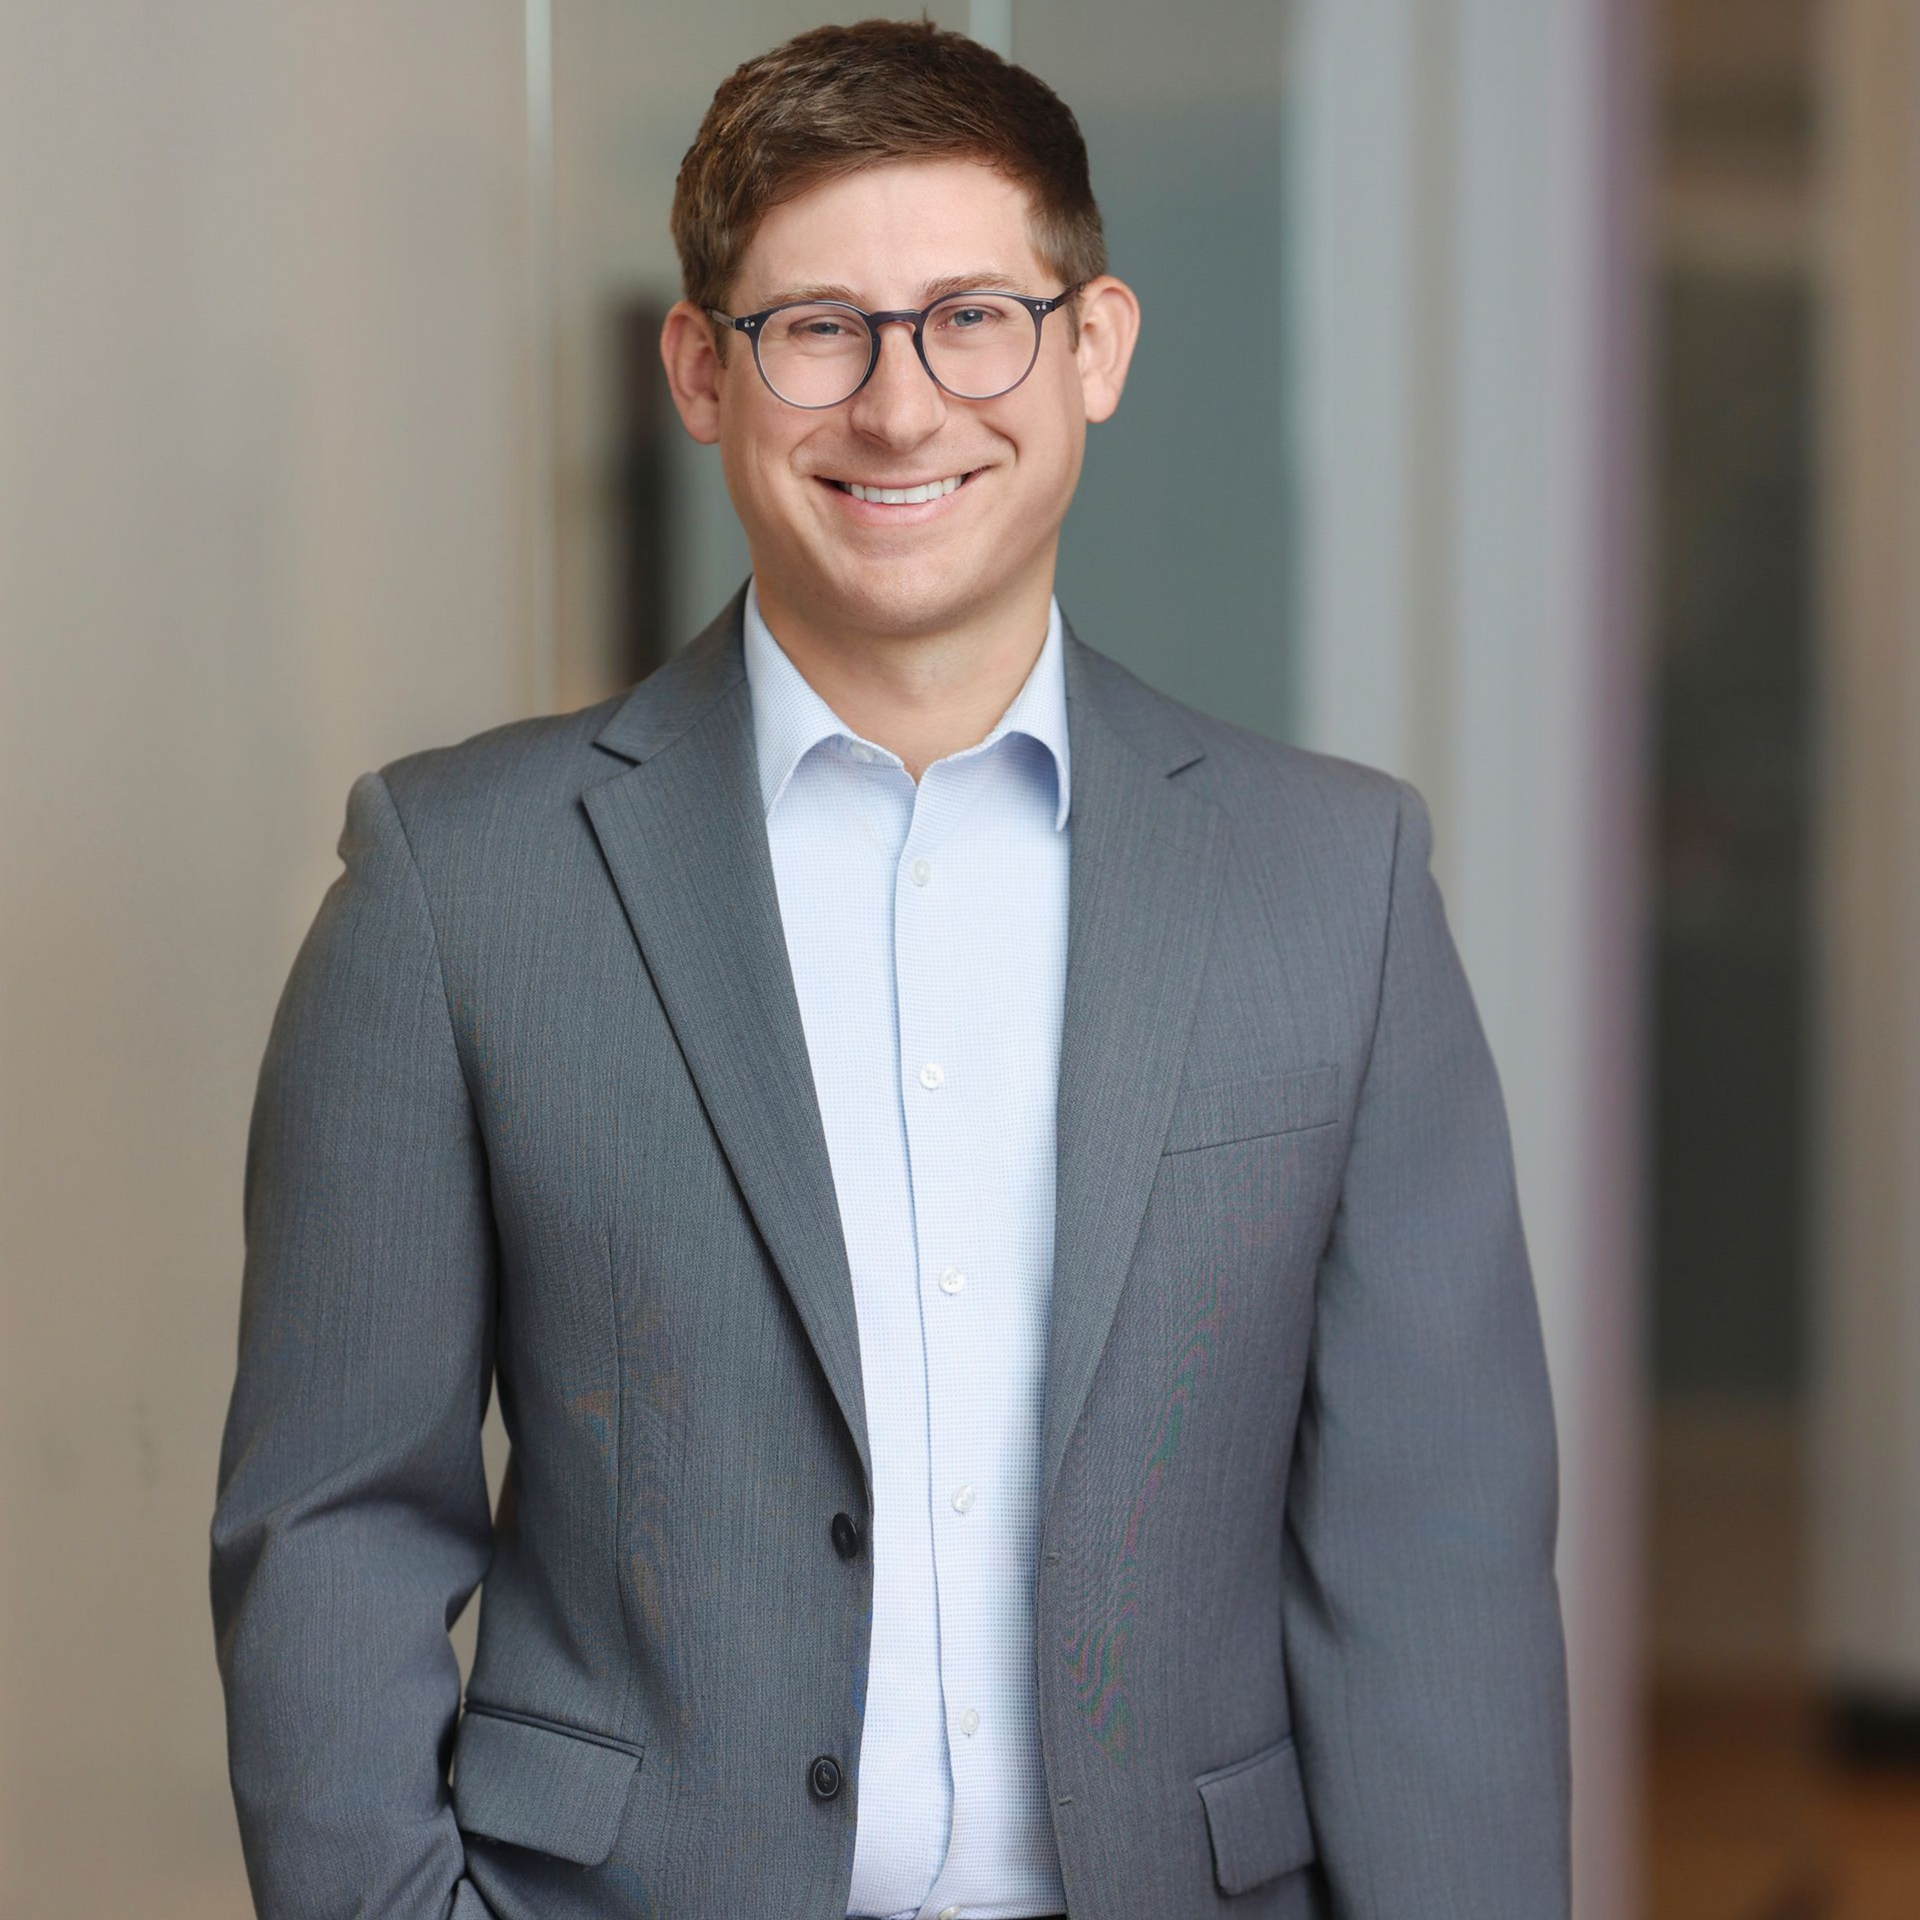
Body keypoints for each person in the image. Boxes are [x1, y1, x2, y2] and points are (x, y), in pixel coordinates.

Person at [209, 19, 1570, 1920]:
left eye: (973, 318)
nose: (904, 408)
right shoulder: (457, 885)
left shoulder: (1333, 884)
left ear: (1093, 346)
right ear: (702, 369)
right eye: (818, 328)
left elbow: (1435, 1557)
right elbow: (335, 1518)